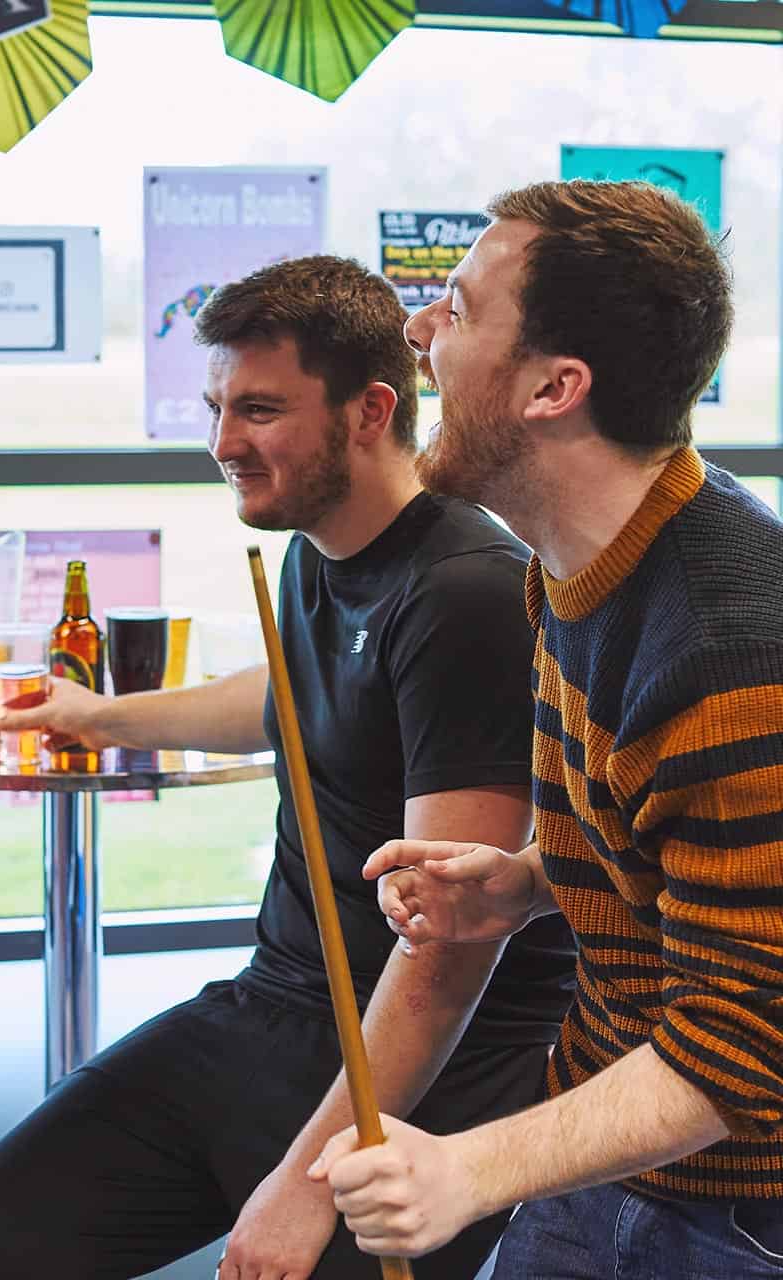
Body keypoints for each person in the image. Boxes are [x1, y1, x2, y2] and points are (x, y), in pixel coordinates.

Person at [0, 254, 576, 1280]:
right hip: (275, 1003)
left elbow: (449, 945)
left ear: (368, 409)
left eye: (258, 410)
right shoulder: (320, 541)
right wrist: (95, 712)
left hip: (424, 1060)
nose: (221, 443)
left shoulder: (462, 592)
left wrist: (305, 1183)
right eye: (217, 406)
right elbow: (283, 700)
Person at [313, 179, 783, 1277]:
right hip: (610, 1149)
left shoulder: (727, 651)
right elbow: (672, 835)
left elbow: (745, 1048)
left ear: (554, 387)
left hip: (734, 1210)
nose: (417, 330)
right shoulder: (571, 565)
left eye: (460, 311)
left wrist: (466, 1170)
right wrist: (527, 881)